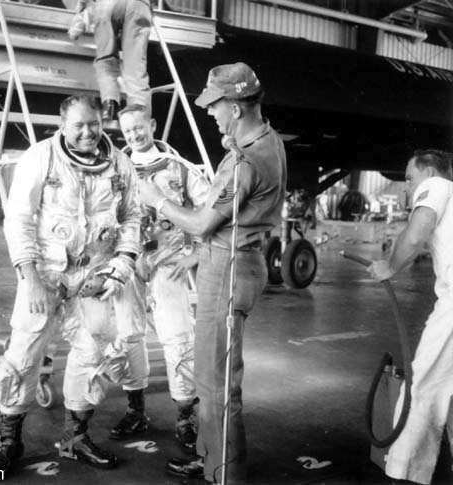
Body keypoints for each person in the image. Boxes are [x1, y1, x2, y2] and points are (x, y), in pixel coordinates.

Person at [137, 62, 287, 484]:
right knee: (213, 377)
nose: (210, 112)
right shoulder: (271, 141)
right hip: (237, 262)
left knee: (215, 383)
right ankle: (211, 459)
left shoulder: (242, 162)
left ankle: (224, 475)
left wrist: (157, 201)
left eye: (215, 105)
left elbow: (204, 223)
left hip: (227, 271)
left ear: (236, 109)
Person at [0, 94, 141, 474]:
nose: (88, 132)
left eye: (93, 123)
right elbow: (18, 218)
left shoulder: (120, 165)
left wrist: (115, 272)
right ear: (62, 125)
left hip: (93, 280)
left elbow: (132, 219)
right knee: (23, 357)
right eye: (78, 125)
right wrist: (31, 279)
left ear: (102, 121)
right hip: (45, 277)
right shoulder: (41, 157)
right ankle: (10, 439)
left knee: (91, 354)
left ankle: (75, 437)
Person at [109, 104, 210, 452]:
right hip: (128, 265)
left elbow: (211, 211)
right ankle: (135, 410)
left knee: (178, 338)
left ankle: (185, 416)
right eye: (128, 131)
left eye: (140, 127)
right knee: (127, 335)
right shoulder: (113, 169)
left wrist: (195, 253)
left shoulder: (179, 169)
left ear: (151, 124)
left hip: (168, 263)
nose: (135, 135)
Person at [368, 149, 453, 485]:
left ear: (429, 171)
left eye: (409, 178)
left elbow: (418, 232)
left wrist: (390, 267)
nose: (407, 186)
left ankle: (404, 473)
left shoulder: (437, 186)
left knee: (423, 385)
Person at [72, 0, 152, 121]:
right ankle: (139, 118)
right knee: (135, 67)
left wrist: (80, 11)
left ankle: (110, 104)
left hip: (108, 4)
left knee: (106, 58)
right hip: (139, 4)